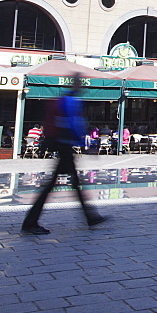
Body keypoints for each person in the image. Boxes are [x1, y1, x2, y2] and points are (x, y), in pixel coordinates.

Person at [22, 79, 105, 235]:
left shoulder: (64, 100)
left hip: (62, 144)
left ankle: (91, 216)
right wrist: (84, 143)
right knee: (59, 185)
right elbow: (73, 123)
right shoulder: (71, 101)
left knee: (71, 183)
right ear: (76, 85)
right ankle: (30, 222)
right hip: (64, 145)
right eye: (80, 85)